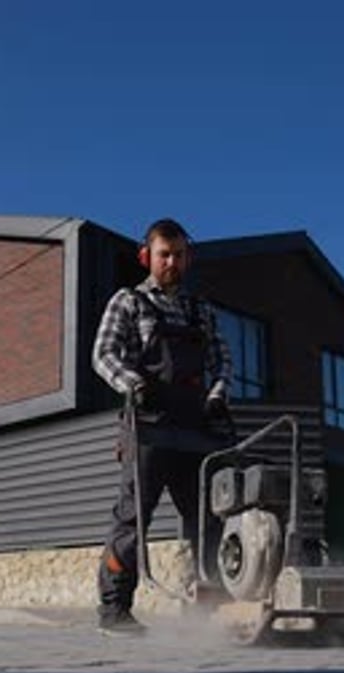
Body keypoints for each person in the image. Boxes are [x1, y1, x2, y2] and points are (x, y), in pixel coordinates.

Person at [92, 218, 233, 633]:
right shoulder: (129, 302)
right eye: (163, 254)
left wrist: (217, 394)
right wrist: (133, 383)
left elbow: (222, 361)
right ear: (146, 257)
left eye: (178, 254)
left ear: (187, 257)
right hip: (148, 425)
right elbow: (103, 354)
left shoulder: (200, 309)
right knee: (133, 519)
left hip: (195, 428)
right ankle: (114, 611)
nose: (171, 261)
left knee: (208, 520)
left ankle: (207, 606)